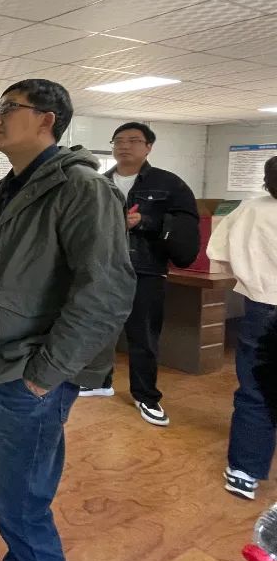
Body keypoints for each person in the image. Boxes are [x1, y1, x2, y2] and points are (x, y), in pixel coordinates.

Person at [0, 79, 135, 561]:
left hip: (29, 373)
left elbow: (106, 292)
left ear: (47, 120)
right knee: (10, 494)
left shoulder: (82, 188)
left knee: (23, 506)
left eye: (8, 108)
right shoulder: (7, 189)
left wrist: (46, 372)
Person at [81, 123, 199, 428]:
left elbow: (186, 224)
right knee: (97, 328)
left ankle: (146, 396)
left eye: (134, 140)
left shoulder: (169, 184)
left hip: (145, 269)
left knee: (143, 335)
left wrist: (144, 221)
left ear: (148, 147)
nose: (125, 146)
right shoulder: (99, 182)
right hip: (103, 268)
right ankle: (98, 380)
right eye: (119, 140)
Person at [207, 156, 277, 501]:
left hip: (262, 306)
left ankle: (244, 472)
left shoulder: (250, 209)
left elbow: (218, 252)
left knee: (256, 389)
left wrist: (251, 273)